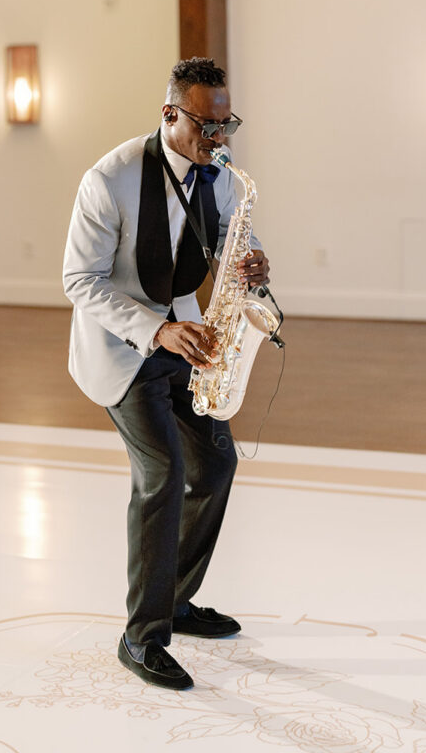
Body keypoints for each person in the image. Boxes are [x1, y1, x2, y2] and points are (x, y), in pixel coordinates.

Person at [62, 56, 270, 691]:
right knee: (163, 475)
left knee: (216, 464)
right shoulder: (110, 179)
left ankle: (176, 600)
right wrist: (157, 330)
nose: (218, 140)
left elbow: (234, 249)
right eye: (206, 127)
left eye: (225, 125)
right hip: (122, 347)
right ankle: (141, 636)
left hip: (187, 336)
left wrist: (254, 271)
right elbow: (79, 280)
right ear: (170, 114)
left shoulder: (226, 179)